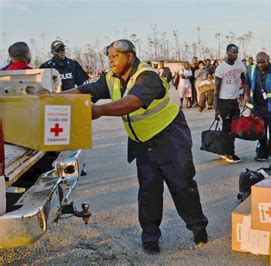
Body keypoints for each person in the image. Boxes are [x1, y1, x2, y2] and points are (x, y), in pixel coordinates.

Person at [63, 39, 208, 254]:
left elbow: (132, 102)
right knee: (149, 189)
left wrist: (99, 111)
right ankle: (150, 236)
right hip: (143, 141)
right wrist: (53, 98)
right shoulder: (111, 78)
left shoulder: (147, 76)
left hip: (170, 137)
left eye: (115, 56)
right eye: (109, 57)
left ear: (129, 56)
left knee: (182, 185)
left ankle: (198, 227)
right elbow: (86, 90)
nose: (111, 61)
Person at [245, 51, 271, 161]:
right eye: (259, 63)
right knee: (259, 131)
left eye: (263, 62)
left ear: (268, 59)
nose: (261, 65)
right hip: (258, 107)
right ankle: (263, 151)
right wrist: (246, 94)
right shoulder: (251, 69)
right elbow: (247, 82)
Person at [214, 44, 246, 163]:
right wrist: (216, 109)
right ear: (227, 52)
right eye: (233, 52)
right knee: (227, 127)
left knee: (234, 127)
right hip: (224, 101)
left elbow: (244, 79)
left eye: (236, 52)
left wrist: (244, 93)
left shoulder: (239, 64)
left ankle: (226, 150)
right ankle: (228, 152)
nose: (235, 55)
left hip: (234, 101)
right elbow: (216, 90)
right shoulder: (221, 68)